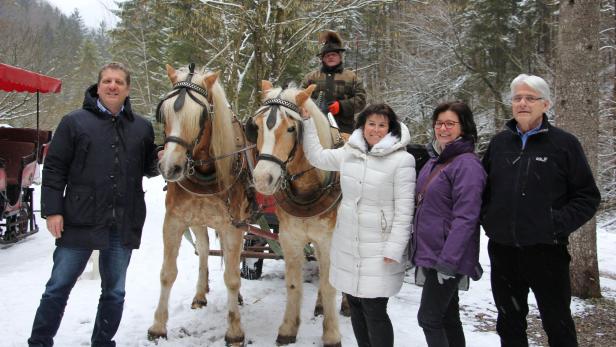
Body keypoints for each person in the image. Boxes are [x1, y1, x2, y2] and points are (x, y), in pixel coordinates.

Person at [28, 62, 159, 347]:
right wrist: (52, 210)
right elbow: (54, 170)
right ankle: (39, 342)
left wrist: (166, 157)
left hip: (123, 221)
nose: (113, 86)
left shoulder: (142, 128)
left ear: (127, 89)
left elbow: (150, 167)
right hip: (78, 218)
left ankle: (102, 342)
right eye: (107, 81)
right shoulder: (74, 122)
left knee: (114, 292)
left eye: (119, 82)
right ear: (98, 86)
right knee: (57, 288)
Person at [481, 74, 601, 347]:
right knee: (509, 324)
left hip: (547, 252)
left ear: (545, 104)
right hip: (504, 251)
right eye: (517, 98)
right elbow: (482, 190)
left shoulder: (564, 144)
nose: (522, 103)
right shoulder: (499, 144)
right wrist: (490, 220)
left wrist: (554, 223)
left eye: (530, 98)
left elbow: (587, 197)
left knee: (557, 324)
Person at [301, 103, 415, 347]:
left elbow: (405, 211)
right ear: (362, 126)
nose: (375, 129)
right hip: (348, 245)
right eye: (370, 124)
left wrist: (394, 248)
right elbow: (317, 156)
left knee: (374, 309)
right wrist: (308, 122)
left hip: (380, 247)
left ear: (390, 128)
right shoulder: (349, 153)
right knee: (355, 304)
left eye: (382, 125)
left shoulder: (402, 161)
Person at [411, 101, 486, 347]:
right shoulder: (438, 161)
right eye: (439, 123)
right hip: (434, 252)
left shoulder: (466, 164)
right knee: (448, 317)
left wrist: (448, 261)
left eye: (450, 124)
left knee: (429, 318)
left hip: (447, 257)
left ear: (463, 127)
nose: (443, 128)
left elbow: (467, 217)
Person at [301, 30, 367, 138]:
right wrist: (314, 106)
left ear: (340, 57)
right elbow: (301, 98)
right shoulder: (311, 78)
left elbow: (361, 99)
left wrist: (341, 106)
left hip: (345, 129)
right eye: (327, 55)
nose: (330, 57)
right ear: (322, 59)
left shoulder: (352, 77)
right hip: (315, 128)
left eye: (333, 55)